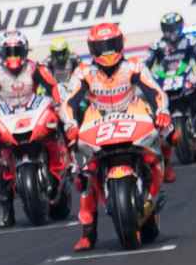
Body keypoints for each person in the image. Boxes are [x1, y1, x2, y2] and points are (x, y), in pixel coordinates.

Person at [62, 23, 172, 251]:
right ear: (92, 49)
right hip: (97, 118)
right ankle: (88, 233)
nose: (108, 52)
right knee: (82, 174)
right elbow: (69, 101)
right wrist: (71, 123)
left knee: (166, 132)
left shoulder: (134, 65)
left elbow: (155, 91)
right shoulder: (83, 71)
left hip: (132, 112)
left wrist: (162, 111)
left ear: (120, 44)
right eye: (102, 47)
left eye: (112, 45)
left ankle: (164, 169)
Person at [0, 30, 70, 228]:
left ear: (25, 50)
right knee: (0, 158)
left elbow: (54, 86)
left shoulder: (36, 67)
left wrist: (59, 102)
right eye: (8, 52)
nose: (13, 56)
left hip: (34, 111)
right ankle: (6, 208)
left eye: (17, 51)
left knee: (61, 126)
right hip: (7, 116)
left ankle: (67, 165)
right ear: (1, 53)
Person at [142, 12, 196, 181]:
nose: (172, 31)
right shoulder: (157, 45)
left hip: (185, 76)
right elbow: (145, 65)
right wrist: (143, 79)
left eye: (175, 28)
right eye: (168, 28)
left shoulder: (190, 41)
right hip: (165, 81)